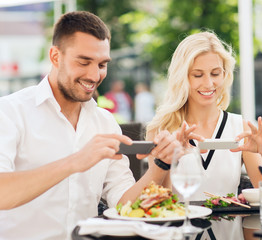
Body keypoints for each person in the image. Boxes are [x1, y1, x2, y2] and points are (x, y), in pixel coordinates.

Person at [0, 11, 185, 240]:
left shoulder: (105, 123)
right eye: (84, 62)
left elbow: (125, 204)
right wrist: (75, 161)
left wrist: (161, 164)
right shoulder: (9, 112)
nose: (94, 75)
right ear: (55, 57)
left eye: (102, 64)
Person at [146, 31, 262, 200]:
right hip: (181, 226)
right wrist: (167, 160)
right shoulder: (161, 130)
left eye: (215, 73)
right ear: (182, 77)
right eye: (198, 75)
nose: (209, 83)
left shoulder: (240, 128)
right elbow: (160, 203)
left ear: (225, 75)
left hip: (231, 226)